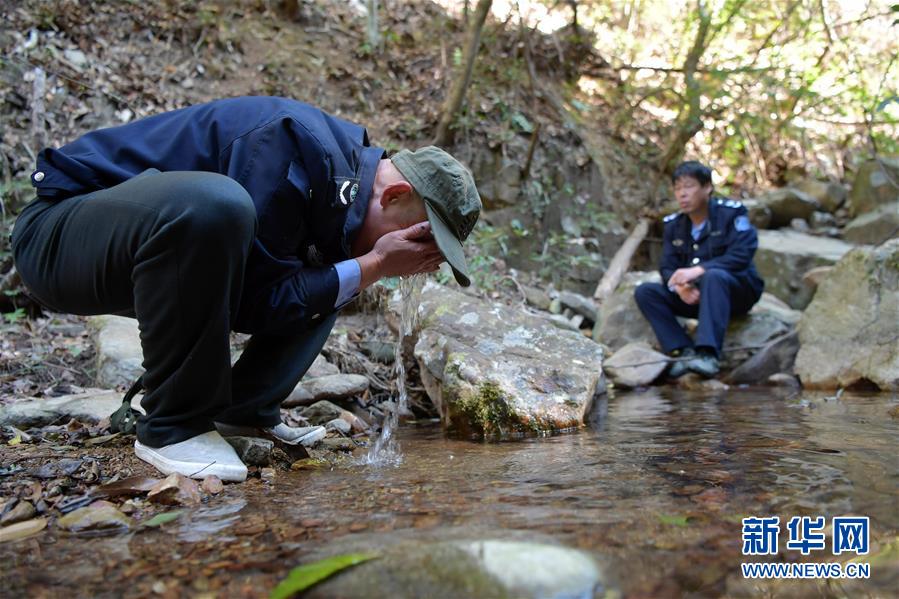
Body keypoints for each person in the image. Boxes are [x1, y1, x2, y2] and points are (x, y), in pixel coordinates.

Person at [11, 96, 481, 482]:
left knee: (342, 268)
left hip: (145, 253)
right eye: (417, 236)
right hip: (60, 235)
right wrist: (374, 264)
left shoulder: (340, 182)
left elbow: (257, 297)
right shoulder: (286, 146)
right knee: (219, 206)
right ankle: (173, 425)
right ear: (394, 195)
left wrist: (366, 266)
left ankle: (244, 411)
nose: (411, 254)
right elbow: (258, 301)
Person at [634, 161, 763, 378]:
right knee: (645, 292)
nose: (682, 194)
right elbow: (667, 267)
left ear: (707, 187)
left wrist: (699, 270)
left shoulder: (731, 214)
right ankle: (682, 351)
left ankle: (707, 354)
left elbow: (742, 254)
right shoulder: (674, 225)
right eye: (677, 188)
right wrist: (680, 288)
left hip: (736, 293)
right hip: (697, 297)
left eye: (689, 186)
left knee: (714, 276)